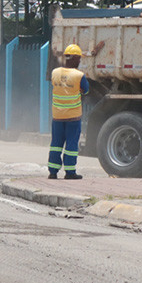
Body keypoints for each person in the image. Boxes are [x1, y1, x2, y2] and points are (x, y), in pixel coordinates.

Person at [49, 43, 90, 180]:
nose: (79, 61)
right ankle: (70, 172)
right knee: (71, 144)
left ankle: (53, 172)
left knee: (56, 144)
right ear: (73, 58)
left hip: (57, 116)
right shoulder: (79, 75)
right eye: (78, 58)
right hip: (73, 117)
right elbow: (86, 90)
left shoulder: (55, 73)